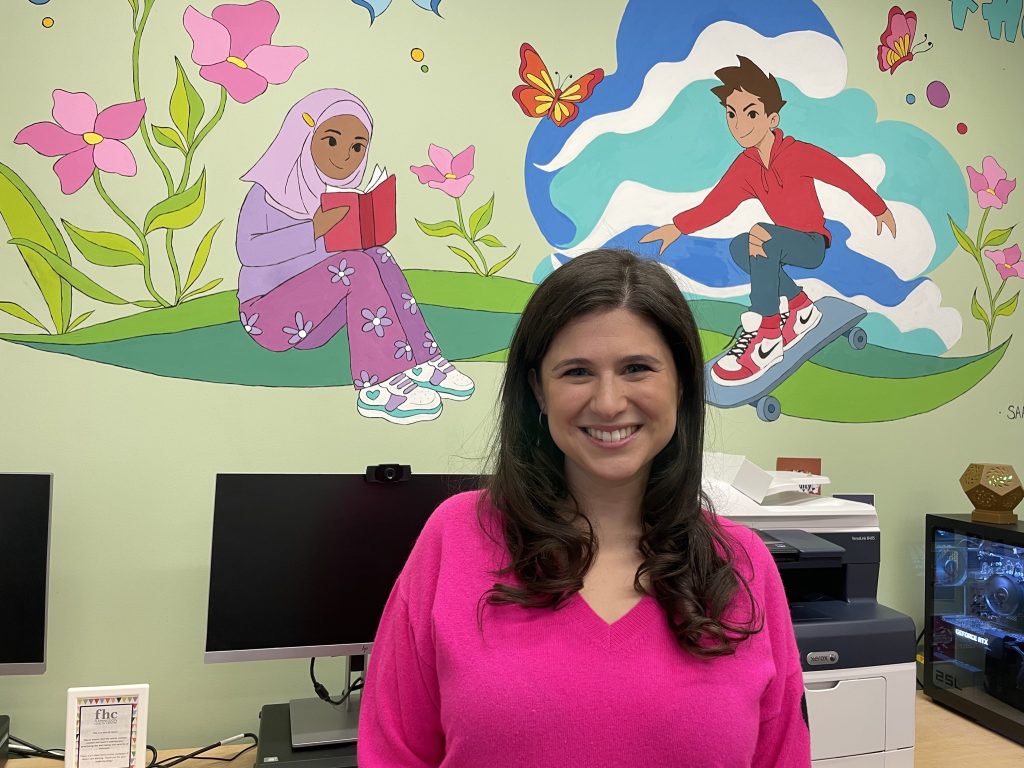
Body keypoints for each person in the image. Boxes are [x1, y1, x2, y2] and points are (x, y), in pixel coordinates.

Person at [358, 249, 811, 766]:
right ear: (539, 390)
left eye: (637, 368)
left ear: (681, 383)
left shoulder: (744, 564)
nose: (609, 402)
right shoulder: (455, 536)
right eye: (577, 372)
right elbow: (392, 754)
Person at [641, 56, 896, 387]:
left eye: (750, 114)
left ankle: (769, 334)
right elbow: (716, 205)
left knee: (759, 236)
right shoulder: (745, 167)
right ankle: (801, 308)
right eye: (731, 115)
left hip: (811, 243)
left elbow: (842, 175)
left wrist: (877, 208)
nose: (739, 124)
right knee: (739, 247)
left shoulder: (798, 153)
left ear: (771, 117)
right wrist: (677, 227)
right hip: (780, 243)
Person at [235, 88, 474, 424]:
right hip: (268, 317)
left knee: (377, 255)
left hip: (315, 322)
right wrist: (313, 230)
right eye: (332, 141)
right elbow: (249, 250)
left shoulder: (333, 195)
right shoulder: (268, 192)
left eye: (357, 147)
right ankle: (377, 386)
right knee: (358, 265)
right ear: (305, 134)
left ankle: (423, 361)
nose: (345, 156)